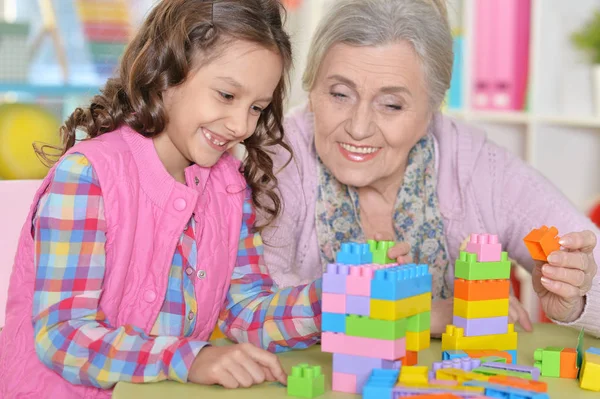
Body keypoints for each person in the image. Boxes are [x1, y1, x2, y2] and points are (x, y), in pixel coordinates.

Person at [0, 1, 321, 397]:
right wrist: (190, 358)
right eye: (225, 95)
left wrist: (332, 303)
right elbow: (64, 336)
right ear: (167, 74)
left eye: (256, 107)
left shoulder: (229, 186)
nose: (241, 125)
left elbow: (246, 313)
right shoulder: (87, 177)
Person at [261, 0, 600, 337]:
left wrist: (575, 301)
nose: (359, 127)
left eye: (392, 104)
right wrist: (416, 314)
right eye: (339, 95)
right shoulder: (278, 160)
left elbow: (586, 260)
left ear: (432, 110)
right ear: (312, 88)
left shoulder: (478, 167)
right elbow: (249, 310)